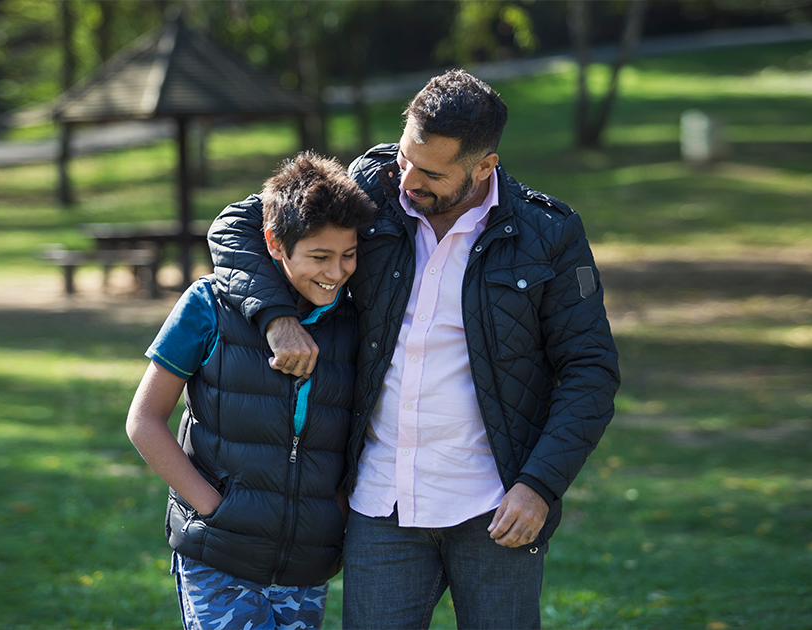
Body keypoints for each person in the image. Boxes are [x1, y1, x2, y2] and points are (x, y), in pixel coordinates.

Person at [207, 70, 620, 630]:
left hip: (496, 506)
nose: (408, 179)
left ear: (484, 167)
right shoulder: (372, 185)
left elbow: (589, 370)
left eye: (430, 172)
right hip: (380, 503)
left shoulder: (549, 233)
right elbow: (236, 225)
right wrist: (277, 319)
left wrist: (539, 485)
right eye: (405, 157)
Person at [126, 151, 376, 630]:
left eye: (348, 255)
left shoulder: (355, 322)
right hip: (219, 555)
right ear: (275, 244)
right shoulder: (209, 304)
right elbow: (144, 420)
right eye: (319, 257)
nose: (336, 271)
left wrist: (333, 515)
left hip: (307, 565)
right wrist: (214, 507)